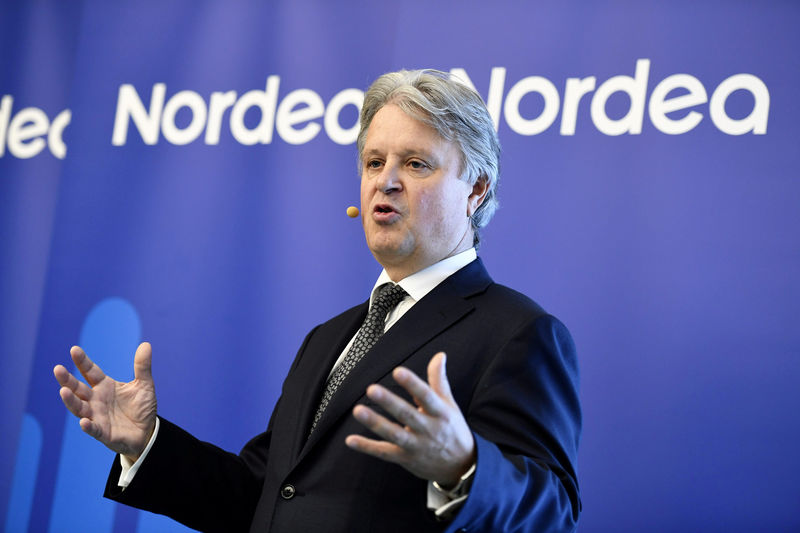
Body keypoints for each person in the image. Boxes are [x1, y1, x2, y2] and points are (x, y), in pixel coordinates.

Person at [53, 69, 581, 532]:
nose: (387, 181)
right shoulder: (328, 338)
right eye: (374, 162)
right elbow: (267, 497)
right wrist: (147, 444)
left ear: (475, 190)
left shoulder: (518, 332)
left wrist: (462, 465)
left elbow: (552, 511)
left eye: (417, 164)